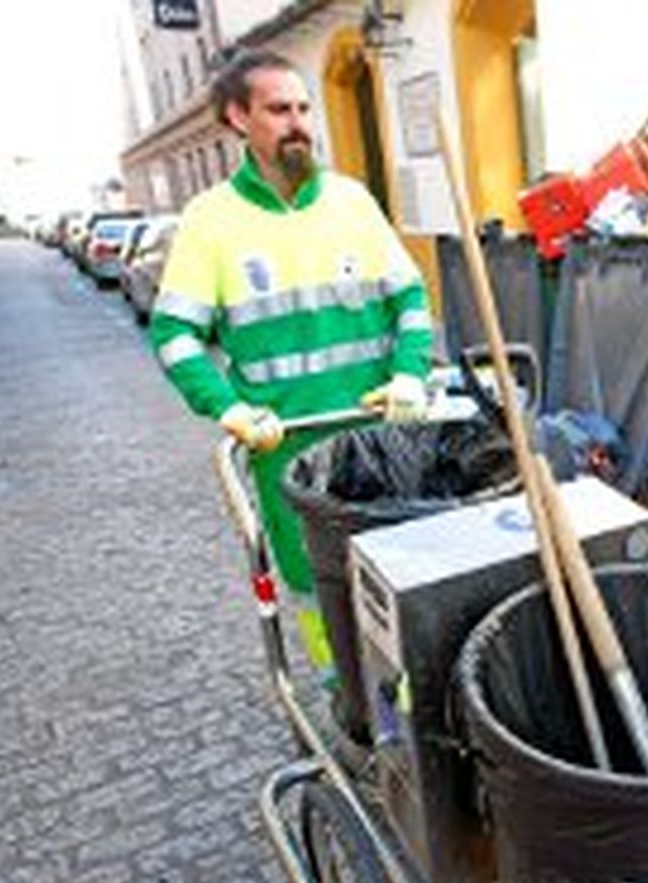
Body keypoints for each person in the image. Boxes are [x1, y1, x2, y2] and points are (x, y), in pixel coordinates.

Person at [148, 49, 433, 704]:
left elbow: (411, 301)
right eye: (279, 109)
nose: (299, 122)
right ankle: (352, 705)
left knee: (404, 580)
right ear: (237, 118)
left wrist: (411, 375)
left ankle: (414, 712)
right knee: (318, 592)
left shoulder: (352, 202)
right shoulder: (210, 221)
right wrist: (229, 409)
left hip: (382, 438)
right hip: (291, 455)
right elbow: (175, 334)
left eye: (304, 107)